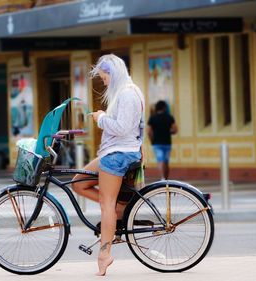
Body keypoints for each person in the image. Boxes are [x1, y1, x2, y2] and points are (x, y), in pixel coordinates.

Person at [71, 54, 144, 276]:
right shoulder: (126, 93)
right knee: (78, 183)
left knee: (106, 204)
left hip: (118, 154)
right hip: (114, 152)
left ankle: (105, 254)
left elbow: (122, 128)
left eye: (104, 78)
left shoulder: (128, 94)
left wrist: (101, 118)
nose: (103, 82)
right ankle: (119, 211)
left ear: (114, 74)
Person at [147, 100, 177, 180]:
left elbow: (149, 132)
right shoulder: (169, 117)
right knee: (166, 161)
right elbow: (175, 130)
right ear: (164, 108)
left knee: (160, 160)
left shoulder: (153, 118)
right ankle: (166, 178)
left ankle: (162, 177)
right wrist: (167, 131)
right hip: (167, 143)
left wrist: (152, 141)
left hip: (156, 143)